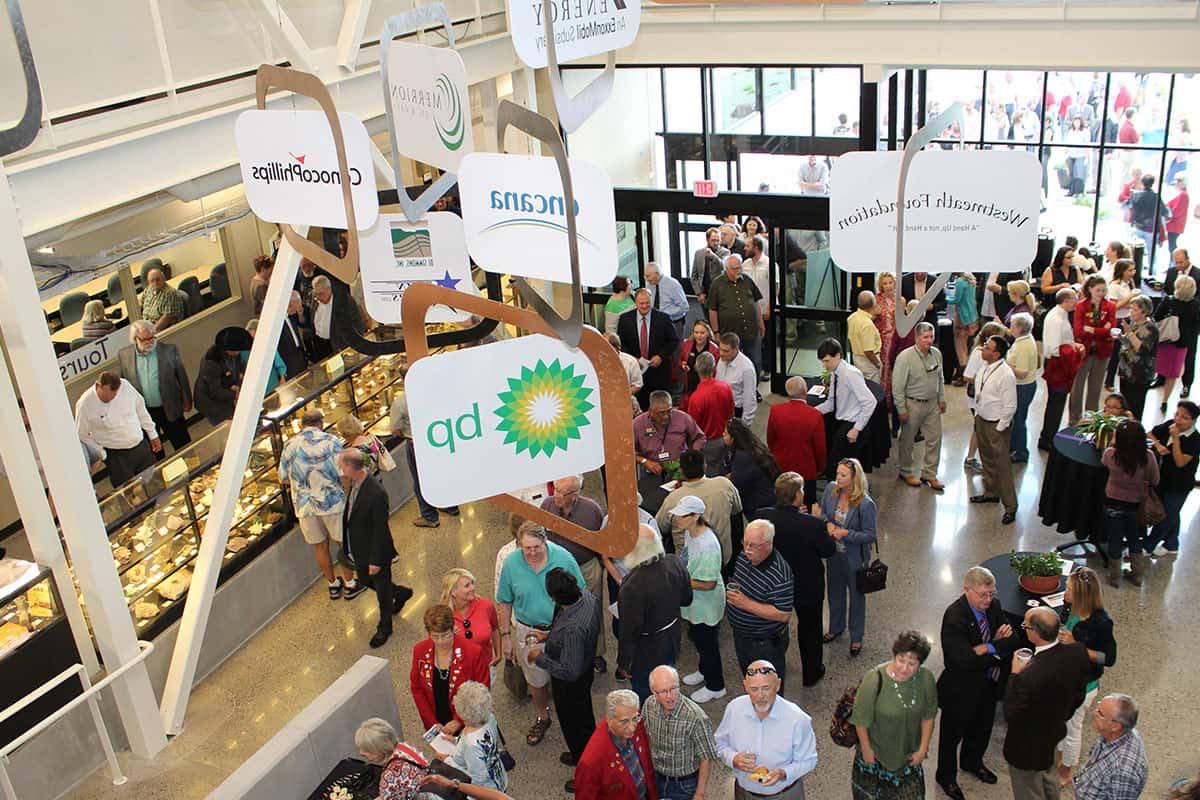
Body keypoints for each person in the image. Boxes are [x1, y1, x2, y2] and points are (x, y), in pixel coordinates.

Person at [496, 523, 585, 747]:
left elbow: (581, 594)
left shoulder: (563, 557)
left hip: (561, 628)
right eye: (526, 548)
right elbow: (504, 602)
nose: (532, 552)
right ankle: (542, 716)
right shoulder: (511, 564)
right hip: (528, 632)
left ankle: (572, 719)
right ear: (518, 544)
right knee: (536, 680)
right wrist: (506, 636)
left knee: (567, 677)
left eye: (536, 547)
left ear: (545, 542)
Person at [936, 566, 1019, 800]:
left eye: (991, 593)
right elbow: (963, 661)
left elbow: (1013, 639)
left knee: (982, 729)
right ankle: (946, 776)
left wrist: (988, 646)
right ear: (967, 590)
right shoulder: (955, 616)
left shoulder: (994, 606)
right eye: (983, 594)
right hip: (960, 690)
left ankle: (973, 763)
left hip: (989, 684)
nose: (988, 599)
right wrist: (997, 648)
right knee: (951, 737)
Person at [1002, 607, 1092, 800]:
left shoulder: (1029, 676)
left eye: (1026, 626)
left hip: (1025, 750)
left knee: (1029, 791)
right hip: (1053, 734)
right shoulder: (1078, 652)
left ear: (1034, 633)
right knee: (1050, 780)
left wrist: (1015, 674)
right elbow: (1078, 695)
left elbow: (1011, 712)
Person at [757, 472, 835, 687]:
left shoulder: (763, 516)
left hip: (773, 585)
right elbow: (828, 550)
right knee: (810, 629)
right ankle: (811, 672)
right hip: (807, 586)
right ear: (797, 496)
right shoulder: (812, 525)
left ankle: (772, 669)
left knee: (771, 626)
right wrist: (818, 520)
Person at [279, 409, 360, 601]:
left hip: (305, 506)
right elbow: (344, 473)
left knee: (320, 547)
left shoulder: (289, 445)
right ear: (321, 423)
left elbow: (282, 478)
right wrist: (346, 492)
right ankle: (350, 584)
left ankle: (333, 584)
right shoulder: (331, 441)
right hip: (332, 502)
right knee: (343, 543)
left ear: (301, 425)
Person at [528, 566, 600, 777]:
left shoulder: (573, 629)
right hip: (585, 669)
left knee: (574, 723)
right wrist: (549, 635)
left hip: (571, 684)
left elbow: (570, 670)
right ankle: (582, 754)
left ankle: (586, 769)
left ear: (555, 597)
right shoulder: (587, 598)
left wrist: (538, 658)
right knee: (584, 718)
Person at [849, 631, 938, 800]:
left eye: (912, 663)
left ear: (920, 664)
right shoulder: (874, 679)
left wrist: (923, 749)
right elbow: (861, 720)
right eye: (901, 660)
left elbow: (929, 716)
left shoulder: (926, 679)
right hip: (875, 757)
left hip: (908, 757)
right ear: (894, 656)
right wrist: (867, 750)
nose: (904, 668)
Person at [714, 660, 818, 799]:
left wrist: (783, 773)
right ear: (745, 686)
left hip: (785, 795)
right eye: (754, 689)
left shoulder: (797, 719)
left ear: (778, 685)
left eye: (766, 688)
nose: (760, 696)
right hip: (744, 793)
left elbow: (809, 760)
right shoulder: (734, 708)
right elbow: (719, 744)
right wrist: (733, 759)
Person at [339, 448, 409, 646]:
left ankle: (385, 627)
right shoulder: (355, 483)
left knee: (381, 589)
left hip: (375, 552)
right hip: (360, 549)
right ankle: (400, 592)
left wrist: (376, 560)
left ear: (350, 467)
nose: (340, 469)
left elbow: (381, 529)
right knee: (364, 579)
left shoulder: (376, 493)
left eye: (342, 465)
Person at [1056, 567, 1118, 786]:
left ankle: (1065, 771)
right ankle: (1060, 757)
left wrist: (1077, 646)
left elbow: (1108, 657)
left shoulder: (1101, 622)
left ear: (1082, 595)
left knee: (1073, 727)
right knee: (1062, 722)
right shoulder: (1071, 607)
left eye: (1070, 589)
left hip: (1083, 684)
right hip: (1065, 677)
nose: (1066, 592)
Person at [617, 524, 693, 703]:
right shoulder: (675, 562)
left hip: (647, 648)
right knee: (668, 680)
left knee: (646, 692)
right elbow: (686, 599)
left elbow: (629, 630)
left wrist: (624, 662)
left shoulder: (631, 586)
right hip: (672, 635)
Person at [540, 474, 607, 672]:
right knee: (559, 613)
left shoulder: (592, 510)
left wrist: (600, 566)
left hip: (585, 567)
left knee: (592, 612)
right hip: (559, 571)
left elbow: (601, 541)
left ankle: (596, 653)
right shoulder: (547, 505)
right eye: (555, 489)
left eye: (561, 492)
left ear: (575, 495)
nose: (556, 495)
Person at [816, 457, 877, 657]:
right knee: (834, 591)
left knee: (857, 598)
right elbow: (824, 513)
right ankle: (836, 627)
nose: (838, 478)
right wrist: (827, 524)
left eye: (843, 475)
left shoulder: (865, 504)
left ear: (854, 478)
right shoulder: (831, 490)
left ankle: (856, 636)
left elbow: (870, 534)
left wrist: (846, 534)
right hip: (834, 554)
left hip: (855, 559)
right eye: (837, 474)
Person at [669, 496, 727, 702]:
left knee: (707, 644)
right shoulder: (690, 532)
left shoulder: (708, 546)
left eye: (681, 516)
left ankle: (715, 685)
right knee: (699, 639)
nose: (677, 520)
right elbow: (686, 557)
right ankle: (704, 670)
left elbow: (708, 583)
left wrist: (680, 580)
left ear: (695, 517)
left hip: (706, 604)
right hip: (696, 602)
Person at [726, 520, 794, 688]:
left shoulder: (780, 574)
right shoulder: (745, 555)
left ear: (768, 544)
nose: (746, 549)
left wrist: (745, 603)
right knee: (751, 682)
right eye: (745, 542)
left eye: (753, 545)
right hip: (741, 635)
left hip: (764, 643)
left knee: (768, 688)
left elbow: (783, 614)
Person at [410, 604, 490, 733]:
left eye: (445, 635)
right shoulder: (420, 650)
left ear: (453, 629)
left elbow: (482, 690)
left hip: (468, 723)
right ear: (428, 632)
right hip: (437, 722)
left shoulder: (473, 652)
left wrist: (459, 720)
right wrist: (432, 723)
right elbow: (417, 688)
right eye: (435, 636)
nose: (441, 642)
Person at [643, 665, 720, 800]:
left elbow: (706, 758)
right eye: (663, 691)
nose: (670, 696)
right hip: (657, 777)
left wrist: (699, 794)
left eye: (673, 688)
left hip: (684, 785)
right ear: (653, 692)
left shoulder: (696, 717)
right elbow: (646, 737)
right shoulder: (649, 705)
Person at [74, 371, 161, 486]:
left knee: (155, 483)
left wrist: (153, 434)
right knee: (129, 492)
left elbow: (141, 409)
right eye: (106, 398)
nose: (111, 399)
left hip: (141, 447)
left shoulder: (126, 386)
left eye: (114, 395)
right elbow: (82, 435)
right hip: (117, 457)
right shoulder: (84, 404)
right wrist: (102, 453)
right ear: (97, 386)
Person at [657, 448, 742, 564]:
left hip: (689, 567)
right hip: (723, 559)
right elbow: (737, 512)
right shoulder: (724, 485)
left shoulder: (673, 499)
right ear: (705, 466)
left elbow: (659, 527)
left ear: (681, 470)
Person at [1101, 418, 1159, 586]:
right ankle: (1137, 575)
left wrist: (1112, 442)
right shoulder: (1148, 457)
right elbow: (1155, 479)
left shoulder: (1111, 455)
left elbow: (1103, 462)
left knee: (1114, 540)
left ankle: (1115, 577)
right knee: (1135, 540)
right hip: (1136, 507)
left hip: (1113, 504)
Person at [118, 321, 192, 452]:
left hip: (169, 407)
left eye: (152, 337)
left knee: (183, 444)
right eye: (145, 339)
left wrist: (187, 401)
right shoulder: (124, 355)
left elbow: (182, 377)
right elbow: (124, 385)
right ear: (135, 339)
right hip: (144, 412)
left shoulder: (169, 350)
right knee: (155, 450)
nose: (150, 342)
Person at [390, 387, 460, 528]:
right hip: (436, 439)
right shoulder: (431, 392)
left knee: (420, 480)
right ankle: (450, 505)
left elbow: (394, 430)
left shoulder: (400, 402)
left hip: (415, 443)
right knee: (442, 473)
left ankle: (429, 516)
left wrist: (406, 433)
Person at [892, 321, 947, 491]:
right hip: (912, 403)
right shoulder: (905, 357)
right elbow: (897, 386)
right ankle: (905, 471)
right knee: (907, 440)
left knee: (935, 439)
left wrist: (941, 398)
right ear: (916, 337)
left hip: (931, 404)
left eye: (931, 337)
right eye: (925, 337)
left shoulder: (936, 354)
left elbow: (940, 378)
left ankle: (930, 474)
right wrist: (901, 409)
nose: (929, 340)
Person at [574, 690, 658, 800]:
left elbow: (647, 765)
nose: (632, 727)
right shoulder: (590, 762)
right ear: (609, 719)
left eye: (634, 719)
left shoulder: (637, 722)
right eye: (624, 722)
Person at [970, 335, 1019, 525]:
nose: (983, 349)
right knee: (987, 459)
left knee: (1002, 466)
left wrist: (999, 428)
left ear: (996, 353)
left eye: (987, 347)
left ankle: (1011, 506)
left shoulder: (1006, 375)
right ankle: (990, 493)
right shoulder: (985, 366)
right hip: (982, 419)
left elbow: (1010, 406)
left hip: (997, 424)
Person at [815, 338, 878, 477]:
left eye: (827, 361)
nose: (825, 365)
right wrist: (812, 411)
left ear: (838, 355)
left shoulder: (850, 374)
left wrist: (856, 428)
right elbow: (831, 403)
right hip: (840, 421)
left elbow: (870, 402)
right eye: (823, 362)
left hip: (852, 425)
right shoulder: (835, 372)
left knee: (836, 468)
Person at [1146, 400, 1200, 555]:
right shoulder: (1170, 424)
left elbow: (1180, 462)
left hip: (1179, 485)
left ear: (1193, 420)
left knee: (1166, 517)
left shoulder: (1195, 439)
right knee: (1171, 513)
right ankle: (1171, 544)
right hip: (1163, 479)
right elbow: (1150, 433)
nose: (1178, 419)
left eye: (1184, 417)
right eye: (1177, 414)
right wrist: (1158, 445)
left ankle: (1148, 546)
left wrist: (1175, 439)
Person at [1071, 694, 1149, 800]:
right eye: (1098, 706)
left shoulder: (1123, 771)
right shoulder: (1114, 735)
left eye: (1100, 713)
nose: (1094, 712)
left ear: (1115, 726)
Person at [766, 377, 827, 507]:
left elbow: (770, 439)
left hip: (781, 466)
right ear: (805, 391)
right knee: (807, 505)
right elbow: (820, 447)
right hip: (807, 469)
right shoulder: (815, 415)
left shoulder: (775, 411)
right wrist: (820, 467)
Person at [1038, 288, 1085, 451]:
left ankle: (1050, 435)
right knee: (1055, 404)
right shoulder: (1056, 319)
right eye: (1074, 299)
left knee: (1057, 403)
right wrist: (1075, 351)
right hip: (1057, 365)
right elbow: (1054, 349)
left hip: (1060, 362)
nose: (1077, 302)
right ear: (1066, 301)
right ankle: (1047, 439)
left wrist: (1073, 345)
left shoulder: (1062, 315)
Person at [619, 289, 680, 410]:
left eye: (647, 303)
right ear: (635, 303)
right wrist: (633, 359)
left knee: (660, 408)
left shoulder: (663, 318)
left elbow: (673, 340)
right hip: (636, 373)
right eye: (641, 303)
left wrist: (661, 356)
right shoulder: (625, 319)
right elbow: (622, 343)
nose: (645, 306)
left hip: (659, 372)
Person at [443, 681, 507, 793]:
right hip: (498, 777)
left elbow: (477, 778)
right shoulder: (489, 718)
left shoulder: (471, 744)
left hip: (487, 791)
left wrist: (446, 760)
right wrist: (456, 740)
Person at [1070, 275, 1117, 424]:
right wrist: (1102, 330)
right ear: (1090, 289)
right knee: (1077, 386)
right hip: (1084, 351)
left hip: (1102, 352)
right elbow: (1078, 331)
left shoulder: (1110, 306)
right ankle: (1074, 419)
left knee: (1095, 388)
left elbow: (1111, 329)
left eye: (1104, 290)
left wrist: (1091, 330)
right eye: (1098, 290)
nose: (1101, 294)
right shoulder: (1081, 306)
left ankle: (1091, 419)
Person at [708, 255, 766, 376]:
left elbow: (756, 302)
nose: (738, 271)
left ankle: (754, 390)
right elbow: (712, 310)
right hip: (730, 333)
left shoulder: (747, 280)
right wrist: (716, 332)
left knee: (755, 361)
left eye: (740, 267)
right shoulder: (717, 284)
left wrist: (761, 322)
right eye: (735, 268)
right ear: (726, 269)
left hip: (751, 330)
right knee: (732, 364)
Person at [632, 391, 705, 482]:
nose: (666, 416)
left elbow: (699, 437)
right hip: (651, 471)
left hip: (679, 469)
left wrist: (691, 455)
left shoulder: (682, 418)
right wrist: (644, 461)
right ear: (650, 411)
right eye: (661, 413)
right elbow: (626, 452)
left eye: (669, 411)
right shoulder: (637, 424)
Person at [442, 568, 502, 676]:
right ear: (453, 592)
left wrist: (498, 654)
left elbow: (495, 628)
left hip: (485, 669)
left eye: (472, 583)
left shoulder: (485, 605)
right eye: (467, 586)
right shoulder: (443, 617)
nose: (472, 588)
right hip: (458, 674)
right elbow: (435, 648)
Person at [1154, 275, 1199, 412]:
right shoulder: (1195, 305)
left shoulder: (1168, 301)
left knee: (1159, 365)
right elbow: (1197, 327)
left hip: (1165, 341)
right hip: (1182, 344)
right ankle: (1165, 400)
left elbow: (1156, 317)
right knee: (1172, 373)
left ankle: (1157, 381)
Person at [354, 718, 427, 800]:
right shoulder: (405, 747)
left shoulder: (390, 775)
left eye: (367, 749)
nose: (361, 753)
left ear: (380, 749)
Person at [686, 352, 734, 476]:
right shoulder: (725, 387)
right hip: (726, 437)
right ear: (714, 368)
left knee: (711, 475)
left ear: (696, 368)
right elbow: (731, 413)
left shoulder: (696, 398)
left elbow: (693, 428)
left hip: (708, 444)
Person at [724, 418, 778, 518]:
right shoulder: (753, 446)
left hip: (758, 505)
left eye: (726, 433)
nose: (723, 435)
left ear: (734, 437)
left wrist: (728, 480)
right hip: (769, 498)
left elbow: (738, 485)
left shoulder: (742, 457)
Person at [1117, 296, 1160, 421]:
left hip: (1139, 374)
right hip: (1126, 370)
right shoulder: (1134, 323)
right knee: (1124, 404)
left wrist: (1129, 332)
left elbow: (1141, 349)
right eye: (1131, 309)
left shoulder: (1150, 328)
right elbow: (1129, 341)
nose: (1131, 312)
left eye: (1134, 310)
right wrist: (1121, 336)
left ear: (1144, 312)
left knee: (1135, 406)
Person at [193, 327, 247, 425]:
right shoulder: (211, 361)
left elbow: (237, 369)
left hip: (225, 391)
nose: (240, 351)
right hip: (211, 402)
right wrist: (236, 394)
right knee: (229, 424)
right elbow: (215, 391)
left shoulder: (234, 353)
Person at [1007, 313, 1040, 463]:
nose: (1010, 328)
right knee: (1017, 418)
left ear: (1019, 328)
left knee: (1019, 420)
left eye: (1012, 326)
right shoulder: (1024, 339)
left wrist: (1004, 365)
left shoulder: (1023, 346)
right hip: (1025, 386)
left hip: (1022, 387)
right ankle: (1014, 446)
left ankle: (1020, 452)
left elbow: (1021, 373)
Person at [1104, 259, 1140, 391]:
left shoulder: (1128, 283)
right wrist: (1130, 297)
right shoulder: (1115, 286)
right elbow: (1114, 307)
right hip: (1117, 321)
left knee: (1124, 351)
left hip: (1127, 318)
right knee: (1115, 352)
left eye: (1133, 270)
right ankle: (1109, 381)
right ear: (1122, 271)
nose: (1132, 273)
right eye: (1130, 270)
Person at [716, 332, 759, 423]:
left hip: (736, 411)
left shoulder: (747, 369)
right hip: (720, 408)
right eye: (720, 349)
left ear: (736, 349)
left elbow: (749, 399)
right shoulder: (722, 360)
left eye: (725, 351)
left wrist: (745, 425)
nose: (721, 354)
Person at [1128, 175, 1170, 268]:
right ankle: (1152, 273)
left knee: (1134, 252)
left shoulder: (1135, 195)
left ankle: (1133, 270)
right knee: (1152, 254)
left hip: (1137, 227)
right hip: (1151, 229)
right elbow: (1165, 212)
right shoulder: (1156, 197)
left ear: (1142, 183)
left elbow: (1128, 207)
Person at [679, 321, 721, 410]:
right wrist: (683, 365)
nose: (699, 335)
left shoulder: (714, 349)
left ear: (708, 333)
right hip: (689, 386)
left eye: (702, 333)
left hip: (706, 388)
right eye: (696, 332)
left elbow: (717, 371)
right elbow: (681, 360)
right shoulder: (686, 345)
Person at [644, 262, 689, 342]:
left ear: (657, 274)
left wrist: (664, 314)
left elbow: (684, 307)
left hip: (674, 323)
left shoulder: (672, 284)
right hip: (657, 323)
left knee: (675, 350)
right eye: (645, 276)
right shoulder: (650, 285)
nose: (646, 279)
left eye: (648, 276)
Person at [951, 273, 981, 385]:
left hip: (962, 316)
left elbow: (956, 300)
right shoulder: (971, 279)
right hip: (972, 315)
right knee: (966, 346)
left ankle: (962, 375)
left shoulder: (959, 281)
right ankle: (966, 373)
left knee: (960, 347)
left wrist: (946, 294)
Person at [848, 290, 883, 383]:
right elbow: (868, 351)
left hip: (856, 358)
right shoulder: (867, 325)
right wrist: (878, 364)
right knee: (873, 390)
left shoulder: (851, 318)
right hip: (869, 362)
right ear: (872, 305)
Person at [691, 227, 730, 303]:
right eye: (713, 240)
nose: (715, 243)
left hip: (720, 292)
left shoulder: (725, 252)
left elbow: (724, 267)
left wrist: (713, 256)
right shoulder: (699, 253)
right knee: (706, 314)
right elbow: (694, 276)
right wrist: (699, 293)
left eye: (718, 240)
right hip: (704, 292)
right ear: (707, 240)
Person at [277, 290, 310, 379]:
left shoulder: (292, 316)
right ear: (290, 304)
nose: (300, 307)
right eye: (298, 305)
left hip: (300, 356)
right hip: (289, 362)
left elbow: (303, 324)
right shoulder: (277, 322)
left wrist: (300, 314)